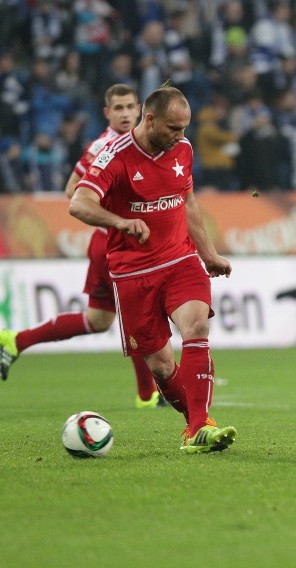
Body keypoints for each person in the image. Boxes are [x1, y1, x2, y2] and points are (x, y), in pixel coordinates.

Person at [67, 85, 237, 454]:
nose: (181, 137)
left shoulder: (184, 150)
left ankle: (199, 428)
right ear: (150, 119)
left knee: (197, 325)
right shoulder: (115, 157)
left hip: (180, 258)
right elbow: (78, 203)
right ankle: (194, 423)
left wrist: (208, 254)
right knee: (161, 366)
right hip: (132, 271)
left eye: (185, 128)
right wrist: (120, 222)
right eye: (174, 129)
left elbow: (187, 201)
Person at [0, 84, 163, 410]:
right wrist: (112, 215)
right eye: (118, 108)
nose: (126, 113)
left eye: (131, 106)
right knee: (139, 314)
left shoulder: (135, 143)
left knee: (100, 320)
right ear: (108, 113)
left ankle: (16, 340)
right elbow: (74, 192)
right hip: (113, 244)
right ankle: (148, 396)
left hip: (116, 243)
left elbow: (75, 186)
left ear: (140, 109)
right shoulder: (103, 147)